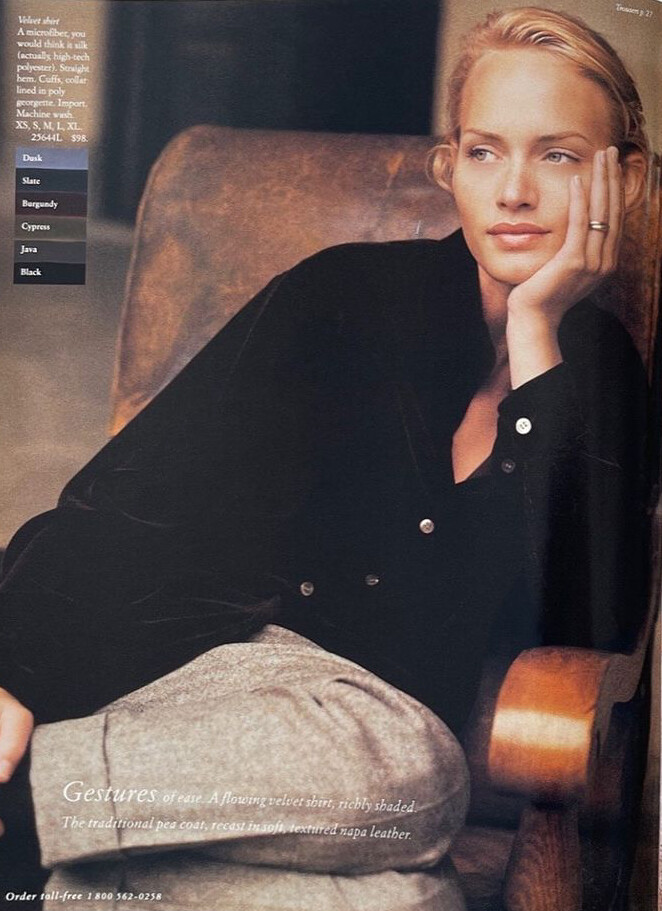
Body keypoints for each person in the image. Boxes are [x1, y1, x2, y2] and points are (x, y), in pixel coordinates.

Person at [0, 7, 653, 909]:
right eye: (483, 151)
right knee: (420, 772)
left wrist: (538, 339)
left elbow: (587, 626)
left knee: (406, 897)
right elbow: (137, 497)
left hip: (359, 772)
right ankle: (27, 801)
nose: (513, 191)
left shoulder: (604, 380)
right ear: (449, 167)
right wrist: (16, 669)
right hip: (211, 679)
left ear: (627, 178)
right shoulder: (344, 294)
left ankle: (49, 874)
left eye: (558, 155)